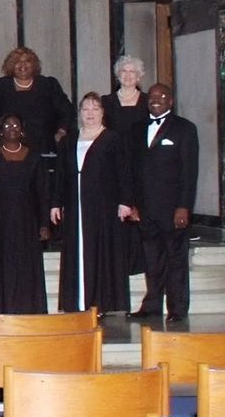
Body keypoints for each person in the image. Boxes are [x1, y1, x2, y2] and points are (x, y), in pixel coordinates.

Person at [51, 93, 133, 314]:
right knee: (76, 250)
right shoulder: (69, 140)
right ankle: (76, 303)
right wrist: (55, 203)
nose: (90, 114)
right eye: (85, 109)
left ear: (102, 113)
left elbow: (123, 173)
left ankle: (100, 302)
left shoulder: (112, 139)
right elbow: (60, 173)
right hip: (74, 205)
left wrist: (125, 202)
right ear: (79, 113)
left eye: (95, 109)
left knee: (100, 251)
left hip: (103, 207)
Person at [127, 84, 199, 324]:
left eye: (162, 96)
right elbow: (131, 171)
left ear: (171, 101)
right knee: (152, 259)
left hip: (173, 209)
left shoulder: (185, 129)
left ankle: (178, 308)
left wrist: (184, 206)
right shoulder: (136, 129)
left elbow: (190, 172)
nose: (156, 100)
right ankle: (152, 305)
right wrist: (132, 204)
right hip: (145, 209)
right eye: (152, 96)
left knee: (176, 259)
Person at [0, 115, 51, 314]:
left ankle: (29, 308)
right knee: (0, 266)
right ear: (0, 130)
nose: (12, 128)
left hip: (27, 222)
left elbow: (43, 192)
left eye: (16, 125)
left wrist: (44, 223)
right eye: (7, 125)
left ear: (22, 131)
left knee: (26, 266)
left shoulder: (35, 158)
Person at [102, 55, 148, 277]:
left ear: (139, 76)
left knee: (140, 211)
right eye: (124, 71)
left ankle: (139, 261)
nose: (128, 75)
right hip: (113, 166)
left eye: (132, 72)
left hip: (142, 165)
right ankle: (118, 262)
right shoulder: (106, 102)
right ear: (117, 75)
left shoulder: (149, 101)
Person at [0, 47, 75, 156]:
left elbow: (67, 111)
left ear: (34, 64)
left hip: (44, 146)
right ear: (10, 65)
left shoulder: (48, 85)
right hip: (10, 149)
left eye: (27, 61)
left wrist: (62, 131)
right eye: (17, 62)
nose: (22, 65)